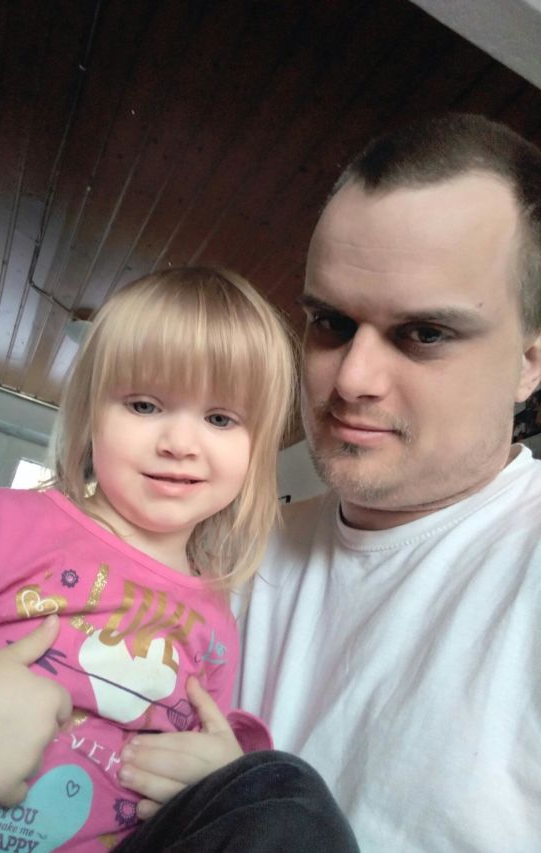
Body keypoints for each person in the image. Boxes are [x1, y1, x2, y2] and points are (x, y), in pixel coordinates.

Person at [0, 267, 358, 852]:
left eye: (220, 419)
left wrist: (217, 773)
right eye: (144, 405)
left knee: (289, 796)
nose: (180, 444)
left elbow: (206, 759)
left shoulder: (217, 620)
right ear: (91, 414)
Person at [232, 114, 541, 851]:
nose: (352, 379)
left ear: (530, 363)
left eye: (424, 333)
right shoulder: (230, 548)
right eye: (331, 322)